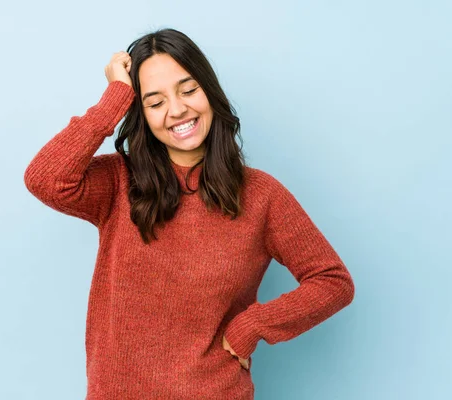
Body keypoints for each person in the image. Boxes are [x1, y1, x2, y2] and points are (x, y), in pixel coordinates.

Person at [24, 28, 355, 400]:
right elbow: (45, 179)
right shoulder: (119, 182)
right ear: (141, 114)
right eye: (155, 101)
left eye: (188, 89)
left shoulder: (261, 196)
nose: (177, 109)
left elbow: (332, 281)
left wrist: (252, 326)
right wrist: (113, 100)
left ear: (209, 91)